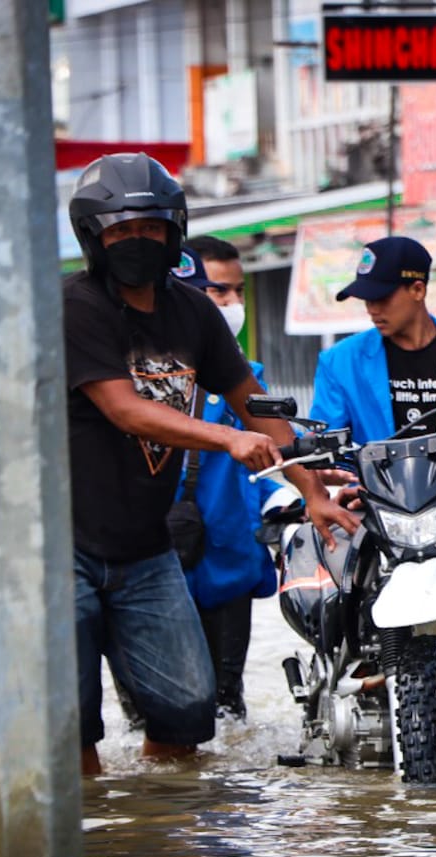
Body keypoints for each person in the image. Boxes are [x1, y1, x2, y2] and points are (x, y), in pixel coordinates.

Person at [66, 152, 359, 776]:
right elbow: (126, 410)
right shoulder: (78, 307)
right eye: (121, 230)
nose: (137, 241)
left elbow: (254, 408)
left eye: (150, 228)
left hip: (145, 549)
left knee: (189, 712)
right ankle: (99, 851)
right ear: (94, 237)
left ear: (173, 232)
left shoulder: (193, 311)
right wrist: (222, 440)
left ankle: (163, 844)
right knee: (68, 722)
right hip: (65, 546)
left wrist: (309, 488)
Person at [165, 238, 277, 721]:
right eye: (218, 292)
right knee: (155, 709)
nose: (232, 305)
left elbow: (277, 455)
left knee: (227, 709)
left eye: (237, 292)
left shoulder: (246, 381)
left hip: (229, 559)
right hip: (152, 565)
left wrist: (290, 498)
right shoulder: (131, 379)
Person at [308, 235, 436, 444]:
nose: (372, 309)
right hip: (376, 477)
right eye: (367, 300)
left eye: (381, 298)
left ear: (418, 290)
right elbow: (324, 440)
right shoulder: (340, 362)